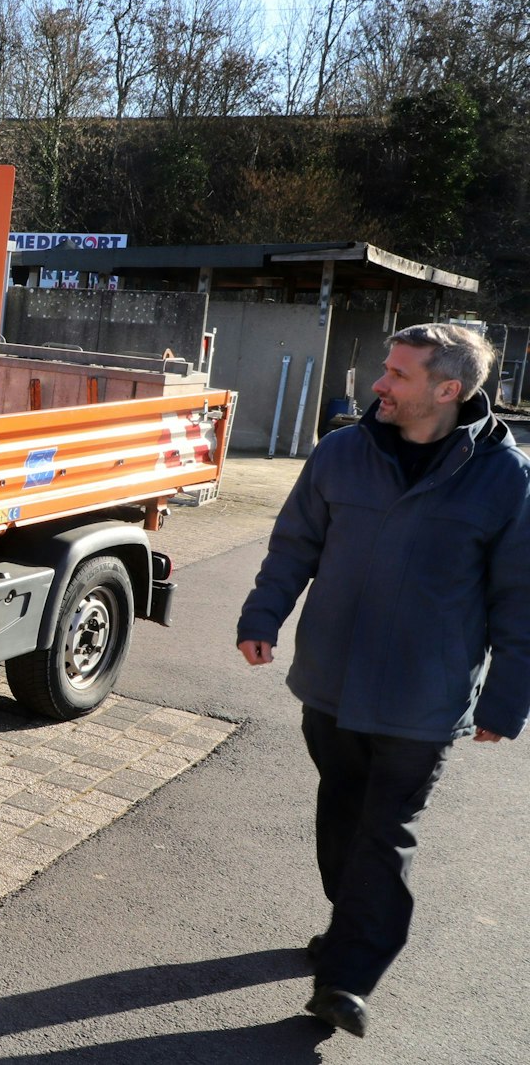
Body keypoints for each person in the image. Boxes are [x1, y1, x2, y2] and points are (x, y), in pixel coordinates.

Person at [236, 322, 530, 1038]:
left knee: (385, 830)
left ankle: (348, 976)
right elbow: (295, 541)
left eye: (397, 374)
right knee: (341, 812)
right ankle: (349, 926)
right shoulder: (342, 451)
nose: (378, 383)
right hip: (331, 682)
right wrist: (262, 614)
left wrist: (507, 697)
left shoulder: (504, 477)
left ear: (447, 390)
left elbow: (519, 595)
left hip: (423, 698)